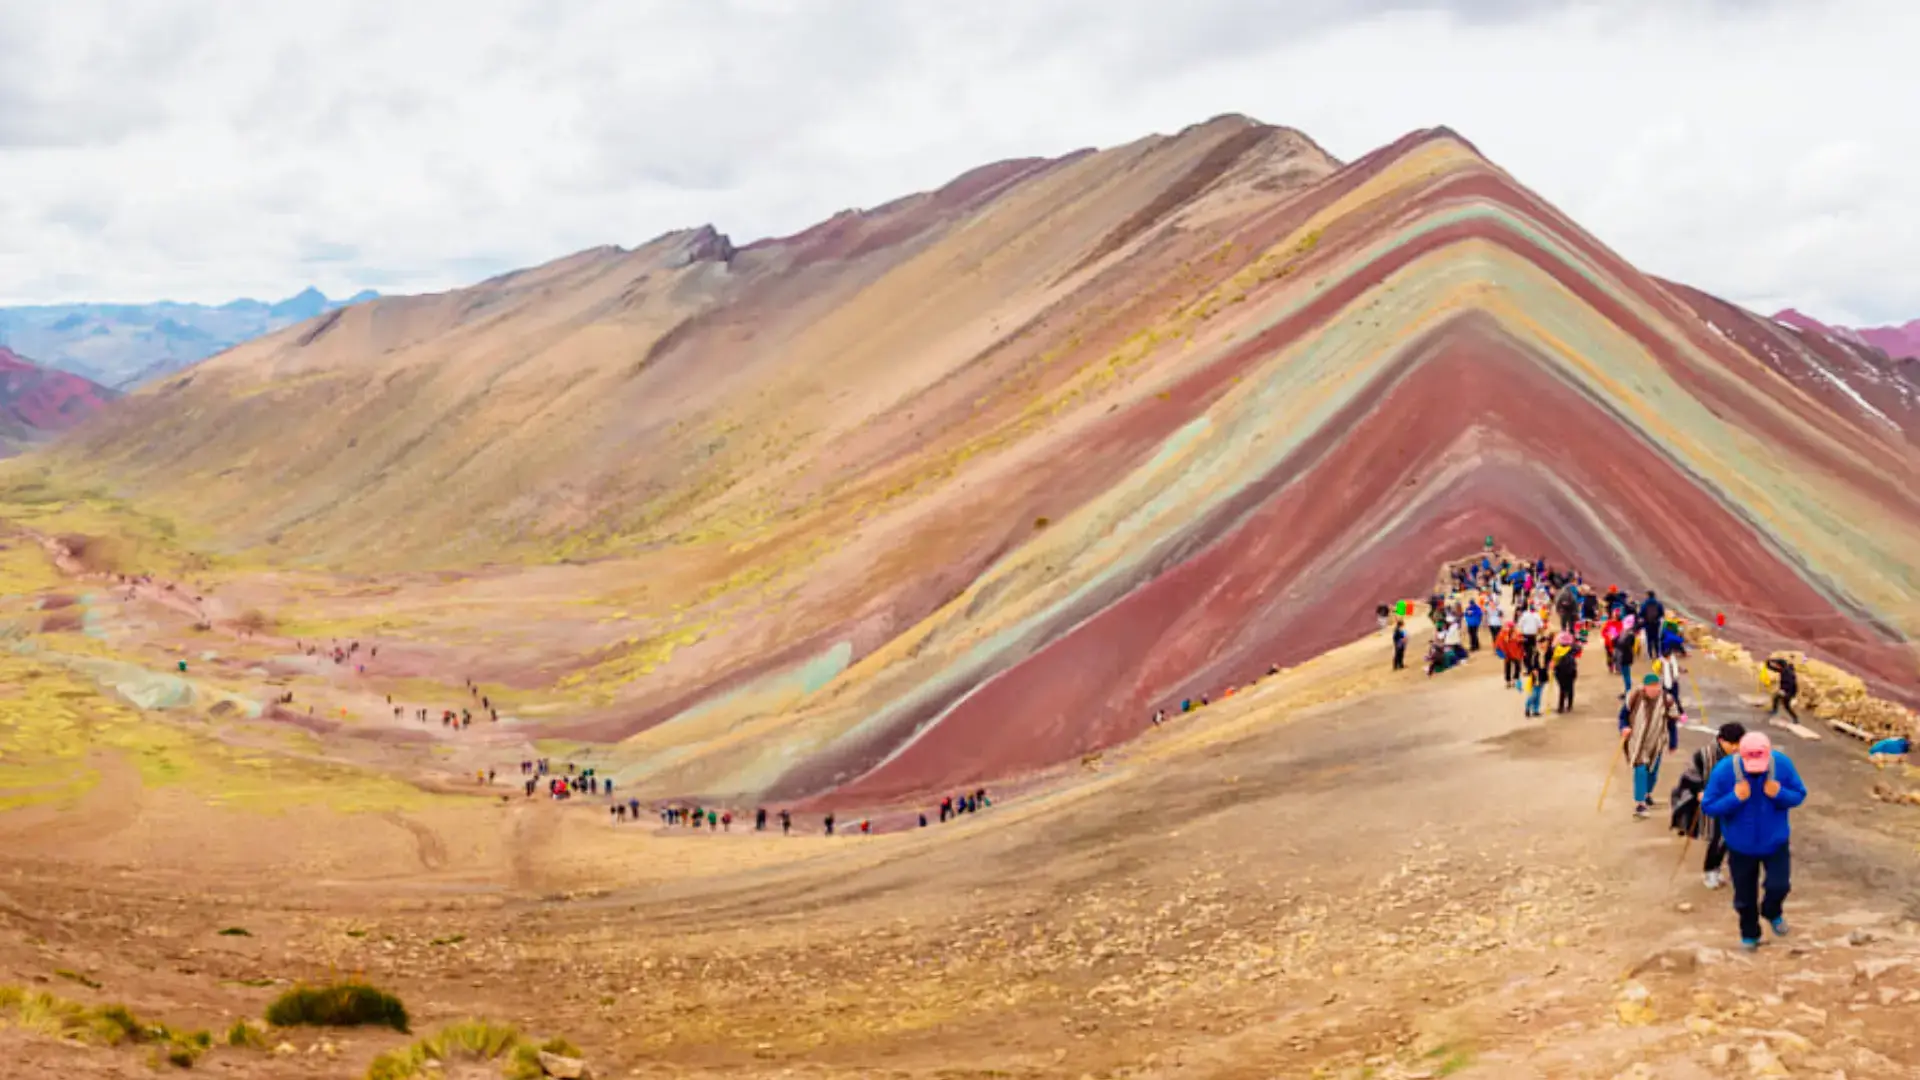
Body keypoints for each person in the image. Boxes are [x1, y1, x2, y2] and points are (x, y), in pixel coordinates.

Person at [1701, 732, 1806, 950]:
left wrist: (1779, 793)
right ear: (1740, 753)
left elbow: (1799, 794)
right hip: (1740, 845)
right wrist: (1734, 798)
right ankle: (1750, 935)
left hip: (1775, 841)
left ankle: (1771, 910)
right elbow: (1708, 806)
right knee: (1744, 896)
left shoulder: (1782, 765)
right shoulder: (1724, 770)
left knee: (1780, 885)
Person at [1671, 722, 1746, 889]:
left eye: (1738, 744)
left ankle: (1717, 869)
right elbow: (1688, 777)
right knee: (1717, 836)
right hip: (1713, 803)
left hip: (1734, 801)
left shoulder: (1744, 756)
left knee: (1729, 838)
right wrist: (1698, 790)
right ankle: (1709, 871)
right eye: (1731, 744)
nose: (1735, 748)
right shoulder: (1704, 756)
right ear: (1720, 740)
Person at [1621, 673, 1677, 819]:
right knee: (1640, 770)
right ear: (1644, 687)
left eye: (1656, 687)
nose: (1654, 690)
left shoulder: (1667, 700)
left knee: (1652, 771)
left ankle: (1647, 793)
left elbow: (1672, 723)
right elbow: (1623, 716)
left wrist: (1673, 742)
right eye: (1650, 687)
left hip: (1656, 742)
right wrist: (1624, 727)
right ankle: (1640, 803)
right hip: (1637, 741)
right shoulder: (1634, 697)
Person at [1551, 632, 1580, 713]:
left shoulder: (1556, 648)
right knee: (1570, 688)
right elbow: (1578, 648)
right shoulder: (1572, 649)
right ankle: (1569, 705)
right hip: (1571, 670)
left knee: (1562, 689)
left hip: (1559, 671)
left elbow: (1552, 650)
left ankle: (1561, 707)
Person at [1765, 657, 1800, 722]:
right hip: (1787, 691)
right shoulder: (1784, 670)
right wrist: (1769, 662)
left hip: (1789, 691)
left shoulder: (1787, 672)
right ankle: (1775, 710)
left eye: (1777, 665)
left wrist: (1784, 691)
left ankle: (1795, 718)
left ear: (1780, 665)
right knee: (1777, 698)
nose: (1776, 666)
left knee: (1786, 705)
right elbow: (1772, 668)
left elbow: (1790, 683)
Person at [1612, 616, 1638, 698]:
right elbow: (1615, 643)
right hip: (1622, 657)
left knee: (1626, 676)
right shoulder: (1623, 633)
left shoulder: (1630, 635)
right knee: (1625, 676)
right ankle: (1627, 691)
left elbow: (1625, 645)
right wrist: (1615, 637)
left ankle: (1628, 692)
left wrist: (1617, 640)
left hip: (1625, 657)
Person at [1639, 591, 1665, 659]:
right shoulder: (1658, 604)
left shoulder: (1644, 604)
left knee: (1649, 639)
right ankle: (1657, 654)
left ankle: (1650, 655)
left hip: (1647, 624)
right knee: (1656, 639)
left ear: (1648, 595)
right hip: (1656, 624)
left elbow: (1641, 614)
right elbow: (1662, 614)